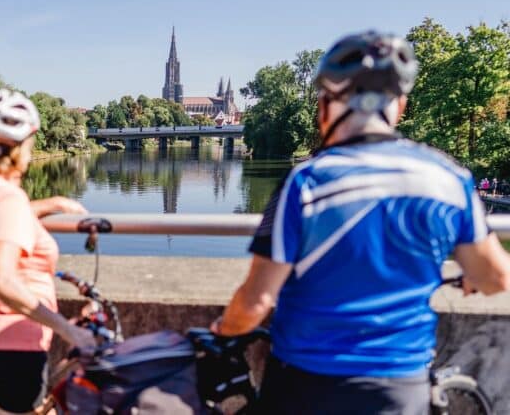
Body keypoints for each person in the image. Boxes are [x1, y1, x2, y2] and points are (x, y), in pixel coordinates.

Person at [216, 31, 510, 414]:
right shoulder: (449, 179)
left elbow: (257, 301)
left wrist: (222, 331)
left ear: (326, 106)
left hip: (307, 387)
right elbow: (496, 278)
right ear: (400, 106)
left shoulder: (306, 183)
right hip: (401, 390)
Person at [0, 89, 95, 415]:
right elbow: (0, 279)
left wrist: (52, 204)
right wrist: (67, 329)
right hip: (11, 347)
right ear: (21, 147)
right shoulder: (6, 198)